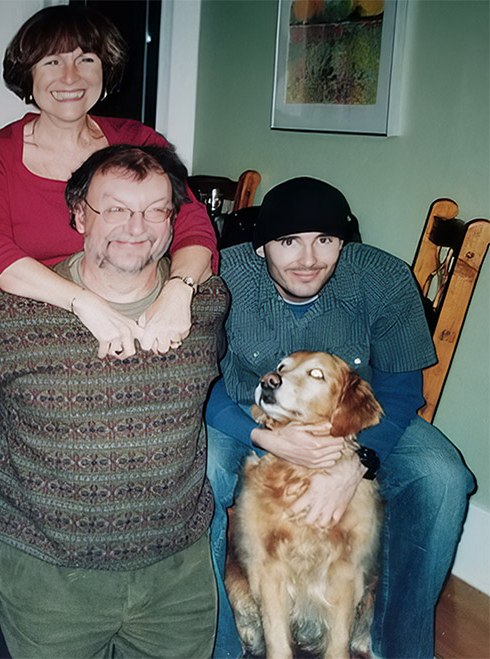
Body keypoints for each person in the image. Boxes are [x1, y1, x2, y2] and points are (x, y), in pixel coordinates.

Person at [0, 6, 218, 652]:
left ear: (107, 70)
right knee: (14, 528)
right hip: (32, 341)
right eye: (52, 60)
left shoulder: (140, 140)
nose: (70, 75)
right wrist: (81, 303)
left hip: (135, 318)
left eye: (87, 59)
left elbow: (191, 231)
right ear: (27, 71)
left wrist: (180, 292)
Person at [204, 177, 475, 659]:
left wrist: (356, 463)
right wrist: (267, 440)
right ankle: (221, 648)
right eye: (289, 242)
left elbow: (400, 389)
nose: (308, 259)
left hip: (354, 419)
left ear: (343, 242)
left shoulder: (383, 280)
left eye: (325, 241)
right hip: (245, 415)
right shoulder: (224, 279)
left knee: (442, 476)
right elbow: (204, 387)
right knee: (202, 470)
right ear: (261, 244)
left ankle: (400, 647)